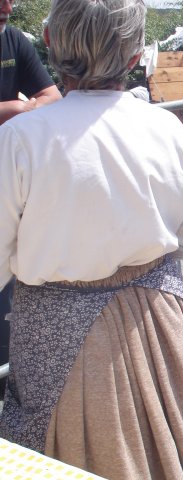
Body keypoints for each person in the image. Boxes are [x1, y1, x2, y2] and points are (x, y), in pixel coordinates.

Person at [0, 0, 183, 478]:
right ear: (134, 57)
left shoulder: (22, 138)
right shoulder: (164, 125)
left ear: (49, 42)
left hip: (62, 342)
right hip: (164, 324)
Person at [0, 0, 62, 394]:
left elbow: (53, 97)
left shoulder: (12, 39)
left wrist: (16, 108)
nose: (6, 4)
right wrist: (21, 107)